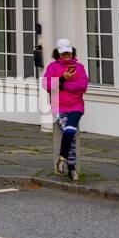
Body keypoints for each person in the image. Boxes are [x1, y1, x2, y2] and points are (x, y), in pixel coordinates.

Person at [41, 39, 89, 181]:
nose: (66, 55)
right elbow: (46, 85)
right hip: (59, 105)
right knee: (71, 135)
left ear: (72, 51)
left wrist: (63, 86)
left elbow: (83, 86)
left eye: (68, 52)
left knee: (69, 131)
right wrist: (62, 78)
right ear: (58, 53)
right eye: (63, 53)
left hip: (76, 106)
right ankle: (71, 169)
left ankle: (62, 160)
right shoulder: (52, 67)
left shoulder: (79, 67)